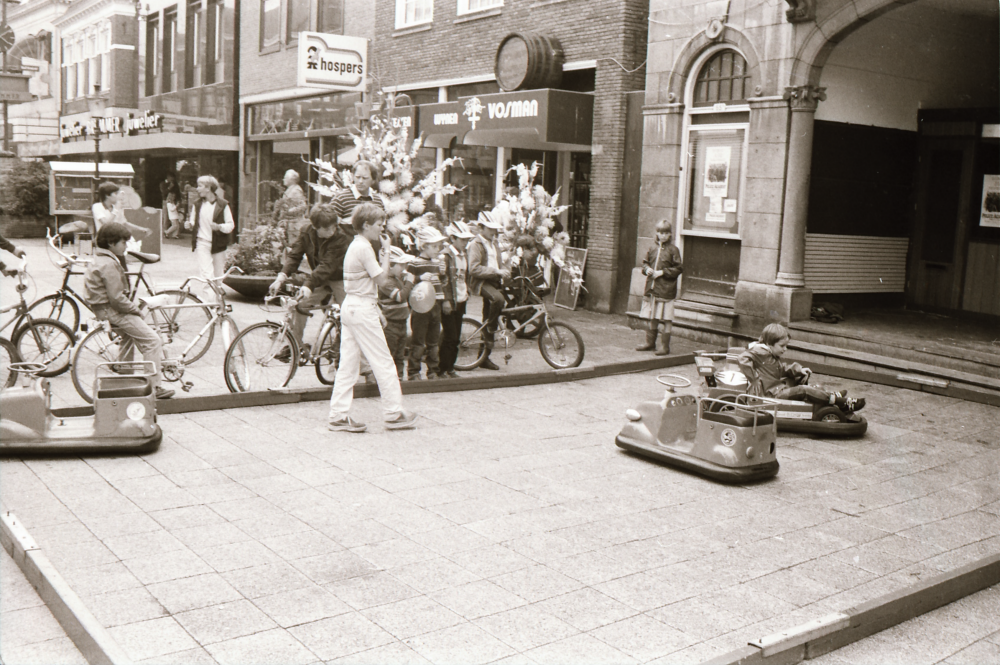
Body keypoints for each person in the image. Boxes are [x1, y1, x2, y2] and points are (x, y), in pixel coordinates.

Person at [327, 203, 417, 433]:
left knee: (348, 365)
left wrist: (375, 307)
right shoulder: (365, 248)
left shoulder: (356, 245)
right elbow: (381, 279)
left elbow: (362, 286)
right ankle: (394, 413)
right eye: (378, 225)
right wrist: (386, 250)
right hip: (361, 309)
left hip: (352, 306)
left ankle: (338, 416)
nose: (382, 229)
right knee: (383, 361)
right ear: (366, 225)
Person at [84, 222, 174, 400]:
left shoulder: (99, 258)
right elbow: (117, 299)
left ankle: (125, 378)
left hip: (102, 309)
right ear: (111, 243)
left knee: (128, 337)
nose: (126, 246)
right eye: (123, 242)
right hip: (113, 311)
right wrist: (136, 310)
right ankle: (154, 387)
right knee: (153, 341)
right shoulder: (109, 264)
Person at [269, 204, 351, 356]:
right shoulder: (306, 232)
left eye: (334, 227)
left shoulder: (341, 237)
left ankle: (342, 348)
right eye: (326, 229)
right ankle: (295, 345)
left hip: (340, 277)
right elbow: (294, 256)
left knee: (349, 313)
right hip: (319, 277)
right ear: (315, 227)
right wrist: (281, 277)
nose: (332, 231)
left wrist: (308, 285)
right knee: (300, 305)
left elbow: (327, 265)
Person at [738, 323, 866, 412]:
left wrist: (798, 370)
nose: (785, 349)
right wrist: (754, 378)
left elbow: (781, 369)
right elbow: (742, 358)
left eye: (786, 346)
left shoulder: (769, 354)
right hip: (772, 396)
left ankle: (829, 396)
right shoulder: (759, 352)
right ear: (769, 344)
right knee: (804, 390)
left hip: (778, 390)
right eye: (782, 346)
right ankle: (841, 402)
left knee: (813, 387)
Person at [467, 210, 509, 371]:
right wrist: (496, 272)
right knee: (498, 300)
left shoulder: (494, 242)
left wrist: (504, 270)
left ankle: (483, 357)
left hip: (494, 280)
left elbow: (498, 262)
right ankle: (491, 328)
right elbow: (474, 269)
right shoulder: (476, 244)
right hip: (482, 281)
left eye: (495, 229)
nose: (494, 232)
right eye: (490, 229)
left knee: (495, 311)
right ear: (481, 228)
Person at [406, 225, 449, 381]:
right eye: (434, 246)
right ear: (424, 246)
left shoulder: (437, 263)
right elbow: (408, 283)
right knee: (418, 340)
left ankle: (432, 370)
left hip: (435, 304)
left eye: (439, 246)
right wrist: (419, 278)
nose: (438, 249)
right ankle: (413, 371)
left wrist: (443, 275)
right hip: (421, 306)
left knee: (433, 340)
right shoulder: (415, 263)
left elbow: (441, 284)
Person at [635, 219, 683, 356]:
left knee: (667, 319)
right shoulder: (652, 248)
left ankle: (665, 347)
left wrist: (662, 272)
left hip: (666, 290)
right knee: (652, 317)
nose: (663, 235)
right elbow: (644, 264)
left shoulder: (674, 250)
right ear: (656, 233)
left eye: (666, 233)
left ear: (670, 234)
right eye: (660, 232)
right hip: (653, 290)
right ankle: (650, 343)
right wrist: (647, 269)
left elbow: (679, 268)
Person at [185, 175, 235, 303]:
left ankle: (218, 303)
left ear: (208, 188)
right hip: (202, 243)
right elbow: (193, 221)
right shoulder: (197, 205)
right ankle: (212, 305)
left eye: (200, 186)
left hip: (218, 245)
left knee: (218, 278)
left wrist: (219, 227)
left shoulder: (223, 205)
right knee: (207, 276)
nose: (197, 189)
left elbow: (231, 225)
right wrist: (189, 225)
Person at [439, 220, 474, 378]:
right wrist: (445, 300)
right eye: (462, 239)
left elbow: (464, 276)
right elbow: (443, 279)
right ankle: (442, 368)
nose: (465, 243)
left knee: (456, 336)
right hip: (450, 300)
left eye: (467, 240)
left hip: (461, 299)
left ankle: (450, 367)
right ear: (453, 238)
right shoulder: (445, 256)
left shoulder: (464, 255)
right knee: (450, 336)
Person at [378, 246, 417, 379]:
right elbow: (400, 296)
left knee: (400, 354)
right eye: (401, 265)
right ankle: (388, 379)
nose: (404, 269)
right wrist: (409, 283)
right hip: (391, 324)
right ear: (390, 265)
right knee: (390, 353)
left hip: (401, 322)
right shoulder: (386, 283)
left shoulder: (398, 279)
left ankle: (399, 378)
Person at [331, 161, 384, 233]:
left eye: (365, 178)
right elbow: (329, 227)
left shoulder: (378, 201)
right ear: (353, 177)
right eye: (358, 177)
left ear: (373, 180)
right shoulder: (340, 199)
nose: (360, 181)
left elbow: (382, 228)